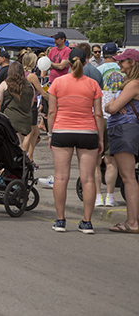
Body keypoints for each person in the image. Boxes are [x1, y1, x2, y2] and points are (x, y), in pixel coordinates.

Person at [47, 47, 103, 234]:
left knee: (61, 177)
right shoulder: (93, 84)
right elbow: (98, 114)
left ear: (68, 63)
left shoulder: (57, 83)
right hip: (88, 131)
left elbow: (52, 112)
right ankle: (87, 222)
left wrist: (50, 133)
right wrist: (100, 138)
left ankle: (60, 220)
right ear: (86, 61)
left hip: (62, 130)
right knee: (88, 179)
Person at [104, 48, 139, 233]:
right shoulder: (129, 83)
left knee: (128, 178)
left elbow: (112, 107)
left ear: (132, 63)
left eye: (123, 61)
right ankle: (132, 221)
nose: (119, 64)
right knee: (127, 177)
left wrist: (112, 105)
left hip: (125, 130)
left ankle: (133, 223)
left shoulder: (133, 84)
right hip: (123, 130)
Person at [96, 43, 122, 207]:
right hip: (118, 115)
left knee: (96, 160)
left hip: (100, 116)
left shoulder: (98, 70)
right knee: (111, 160)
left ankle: (98, 195)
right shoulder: (123, 70)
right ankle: (110, 196)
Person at [20, 52, 49, 165]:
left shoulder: (20, 73)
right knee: (30, 133)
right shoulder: (31, 76)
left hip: (23, 104)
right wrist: (51, 98)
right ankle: (23, 157)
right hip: (31, 105)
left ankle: (30, 157)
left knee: (35, 132)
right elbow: (41, 91)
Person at [0, 62, 34, 143]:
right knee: (21, 140)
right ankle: (23, 153)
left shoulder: (4, 84)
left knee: (14, 143)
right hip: (26, 118)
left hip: (10, 118)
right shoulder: (29, 86)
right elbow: (31, 104)